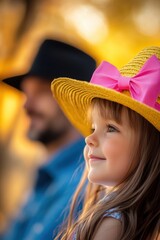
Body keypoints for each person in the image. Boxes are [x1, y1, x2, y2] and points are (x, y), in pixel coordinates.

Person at [51, 46, 160, 239]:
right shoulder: (114, 217)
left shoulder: (112, 225)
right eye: (93, 128)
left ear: (151, 147)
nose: (89, 139)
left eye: (111, 128)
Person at [1, 39, 96, 240]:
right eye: (27, 93)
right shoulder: (47, 174)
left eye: (42, 93)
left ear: (77, 105)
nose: (27, 105)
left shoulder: (83, 186)